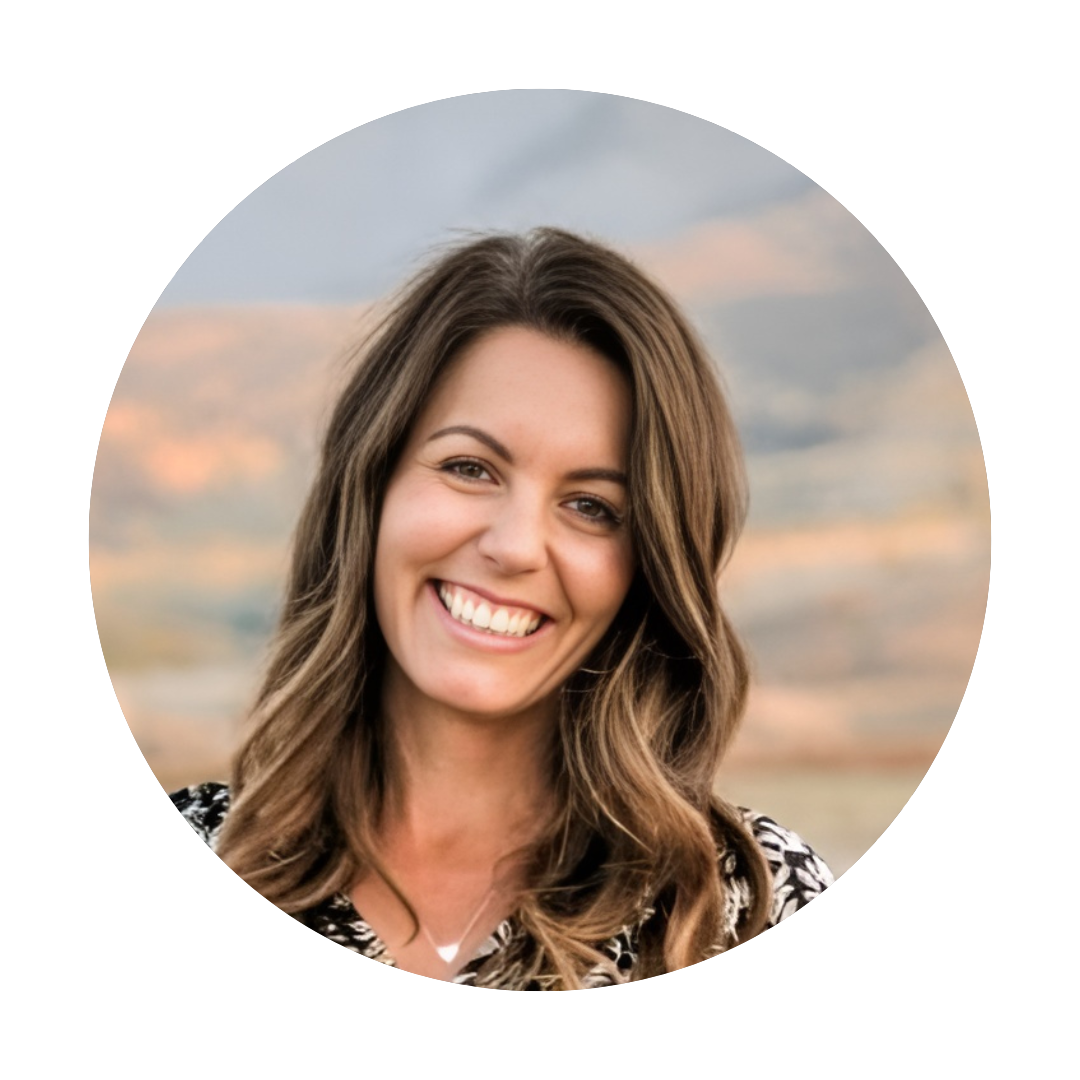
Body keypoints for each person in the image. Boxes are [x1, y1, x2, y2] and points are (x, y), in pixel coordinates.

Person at [171, 228, 833, 989]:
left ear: (650, 565)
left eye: (591, 506)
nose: (516, 546)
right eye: (469, 468)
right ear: (372, 484)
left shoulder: (750, 910)